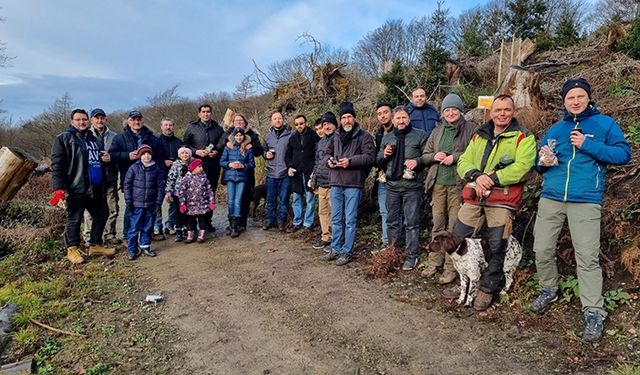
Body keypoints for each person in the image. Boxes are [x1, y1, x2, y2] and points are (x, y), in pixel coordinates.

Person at [530, 78, 631, 342]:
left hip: (586, 199)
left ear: (588, 98)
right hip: (551, 197)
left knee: (587, 257)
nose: (575, 101)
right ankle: (548, 289)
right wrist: (543, 162)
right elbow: (539, 165)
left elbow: (623, 155)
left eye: (580, 96)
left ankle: (593, 311)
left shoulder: (605, 124)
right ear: (563, 101)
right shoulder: (555, 129)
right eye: (570, 97)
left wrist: (588, 144)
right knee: (541, 249)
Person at [454, 94, 536, 311]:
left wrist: (491, 179)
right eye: (498, 110)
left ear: (513, 111)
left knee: (498, 244)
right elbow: (463, 160)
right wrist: (476, 176)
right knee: (459, 236)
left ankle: (487, 288)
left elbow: (523, 166)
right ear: (491, 112)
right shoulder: (479, 135)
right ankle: (465, 281)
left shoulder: (523, 137)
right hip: (474, 196)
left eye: (506, 110)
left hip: (503, 199)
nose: (502, 114)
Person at [421, 93, 476, 284]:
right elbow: (425, 154)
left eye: (454, 109)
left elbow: (475, 153)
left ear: (460, 111)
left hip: (458, 186)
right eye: (446, 110)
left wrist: (455, 157)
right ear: (442, 113)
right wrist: (434, 156)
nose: (450, 113)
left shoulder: (471, 129)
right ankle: (433, 262)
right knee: (437, 225)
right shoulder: (437, 131)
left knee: (453, 228)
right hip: (437, 184)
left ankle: (450, 268)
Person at [51, 109, 116, 264]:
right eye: (78, 120)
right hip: (76, 187)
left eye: (84, 119)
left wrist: (106, 160)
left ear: (88, 121)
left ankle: (95, 245)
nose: (82, 122)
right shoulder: (63, 139)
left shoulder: (93, 139)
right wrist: (58, 189)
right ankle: (72, 249)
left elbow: (95, 160)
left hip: (95, 187)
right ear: (72, 121)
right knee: (74, 219)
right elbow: (57, 165)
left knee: (102, 214)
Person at [321, 101, 376, 266]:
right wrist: (329, 161)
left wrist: (350, 162)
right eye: (344, 117)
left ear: (354, 118)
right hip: (336, 182)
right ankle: (335, 248)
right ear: (340, 119)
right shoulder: (336, 135)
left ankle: (347, 251)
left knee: (350, 220)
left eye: (349, 117)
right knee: (336, 218)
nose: (346, 120)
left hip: (353, 184)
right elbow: (326, 153)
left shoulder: (364, 136)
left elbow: (370, 157)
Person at [377, 106, 428, 270]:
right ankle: (393, 253)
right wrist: (384, 155)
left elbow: (428, 156)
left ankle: (411, 256)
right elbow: (378, 160)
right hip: (392, 186)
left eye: (404, 118)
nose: (401, 121)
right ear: (393, 120)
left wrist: (417, 161)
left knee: (411, 223)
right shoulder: (388, 137)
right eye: (398, 118)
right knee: (391, 222)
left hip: (412, 187)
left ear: (409, 119)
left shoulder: (420, 135)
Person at [109, 110, 164, 240]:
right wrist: (126, 155)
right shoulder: (120, 138)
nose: (136, 122)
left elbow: (159, 158)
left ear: (142, 121)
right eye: (133, 120)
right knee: (131, 208)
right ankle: (128, 235)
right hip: (131, 179)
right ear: (128, 122)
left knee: (150, 208)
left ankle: (148, 234)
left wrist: (161, 176)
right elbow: (111, 155)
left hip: (150, 179)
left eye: (138, 119)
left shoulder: (152, 138)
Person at [216, 114, 263, 233]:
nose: (238, 122)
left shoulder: (251, 134)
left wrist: (251, 146)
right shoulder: (228, 133)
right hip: (231, 172)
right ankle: (232, 224)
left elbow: (259, 151)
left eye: (241, 120)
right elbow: (219, 147)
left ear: (245, 122)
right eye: (236, 120)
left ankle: (241, 223)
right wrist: (226, 143)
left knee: (244, 198)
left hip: (245, 173)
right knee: (232, 199)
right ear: (232, 122)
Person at [183, 104, 225, 232]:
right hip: (195, 168)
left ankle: (207, 222)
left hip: (212, 167)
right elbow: (184, 145)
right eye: (203, 112)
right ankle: (191, 224)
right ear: (199, 114)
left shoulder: (218, 128)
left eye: (208, 112)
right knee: (192, 195)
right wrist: (196, 152)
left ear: (211, 113)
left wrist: (217, 151)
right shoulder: (191, 127)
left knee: (209, 194)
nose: (206, 114)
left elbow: (223, 145)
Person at [83, 108, 121, 246]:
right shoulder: (85, 136)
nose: (100, 120)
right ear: (91, 120)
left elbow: (118, 155)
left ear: (106, 119)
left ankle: (109, 235)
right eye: (96, 118)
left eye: (102, 118)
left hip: (110, 176)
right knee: (91, 211)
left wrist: (111, 158)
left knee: (112, 208)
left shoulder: (115, 136)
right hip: (92, 179)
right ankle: (89, 237)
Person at [123, 145, 165, 260]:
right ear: (140, 156)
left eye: (148, 154)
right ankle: (132, 250)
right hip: (137, 204)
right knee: (134, 227)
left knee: (148, 226)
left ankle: (145, 246)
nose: (146, 156)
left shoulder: (156, 169)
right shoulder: (133, 168)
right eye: (144, 154)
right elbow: (127, 185)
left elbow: (160, 187)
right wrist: (128, 200)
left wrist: (158, 202)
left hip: (151, 204)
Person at [285, 114, 319, 233]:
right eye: (297, 124)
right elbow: (287, 155)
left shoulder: (313, 136)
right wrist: (289, 167)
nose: (299, 126)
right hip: (296, 174)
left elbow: (318, 154)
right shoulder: (292, 138)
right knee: (296, 199)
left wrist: (315, 169)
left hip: (309, 173)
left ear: (306, 123)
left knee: (310, 199)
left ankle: (308, 224)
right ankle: (297, 222)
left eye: (301, 123)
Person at [309, 112, 337, 250]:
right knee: (323, 212)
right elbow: (317, 163)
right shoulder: (320, 142)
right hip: (321, 182)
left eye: (328, 124)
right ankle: (325, 237)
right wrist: (314, 180)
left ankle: (335, 239)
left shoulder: (339, 138)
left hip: (333, 182)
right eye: (324, 124)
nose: (326, 127)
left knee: (335, 213)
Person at [221, 128, 255, 237]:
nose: (239, 138)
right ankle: (231, 223)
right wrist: (229, 165)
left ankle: (236, 225)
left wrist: (243, 166)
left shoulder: (248, 148)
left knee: (238, 200)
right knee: (230, 200)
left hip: (242, 177)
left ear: (244, 136)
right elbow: (222, 161)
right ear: (234, 136)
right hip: (230, 177)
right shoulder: (228, 147)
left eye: (241, 136)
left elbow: (252, 164)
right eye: (237, 136)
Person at [262, 111, 293, 231]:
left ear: (283, 120)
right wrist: (266, 154)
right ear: (272, 121)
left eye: (279, 118)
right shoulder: (268, 136)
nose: (277, 120)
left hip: (285, 172)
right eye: (275, 118)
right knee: (270, 199)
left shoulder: (290, 134)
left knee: (284, 199)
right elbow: (263, 151)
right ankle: (270, 220)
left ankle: (281, 221)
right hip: (271, 173)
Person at [154, 117, 182, 238]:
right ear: (161, 127)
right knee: (157, 201)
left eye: (170, 125)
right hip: (159, 174)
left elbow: (183, 156)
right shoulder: (156, 142)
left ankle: (170, 224)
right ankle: (157, 225)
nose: (168, 127)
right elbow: (152, 157)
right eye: (165, 125)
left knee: (174, 201)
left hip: (175, 175)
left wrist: (176, 162)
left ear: (173, 126)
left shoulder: (178, 142)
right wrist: (163, 162)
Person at [177, 159, 216, 243]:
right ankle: (190, 235)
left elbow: (209, 190)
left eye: (201, 166)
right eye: (199, 167)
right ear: (193, 168)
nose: (201, 168)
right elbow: (181, 192)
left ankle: (201, 235)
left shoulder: (204, 178)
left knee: (202, 221)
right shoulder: (186, 179)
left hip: (202, 204)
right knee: (190, 221)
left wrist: (211, 201)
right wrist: (182, 204)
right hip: (190, 205)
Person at [373, 102, 394, 248]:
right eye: (379, 114)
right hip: (382, 176)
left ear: (392, 113)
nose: (382, 116)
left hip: (397, 177)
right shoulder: (379, 133)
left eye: (385, 112)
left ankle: (396, 243)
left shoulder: (399, 130)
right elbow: (377, 157)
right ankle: (386, 242)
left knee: (397, 211)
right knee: (384, 210)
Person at [164, 147, 193, 242]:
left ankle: (187, 229)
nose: (184, 155)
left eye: (186, 153)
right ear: (179, 155)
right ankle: (178, 231)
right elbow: (171, 178)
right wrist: (168, 192)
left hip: (190, 193)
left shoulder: (193, 163)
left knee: (188, 212)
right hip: (178, 193)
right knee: (178, 212)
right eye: (182, 153)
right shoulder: (176, 164)